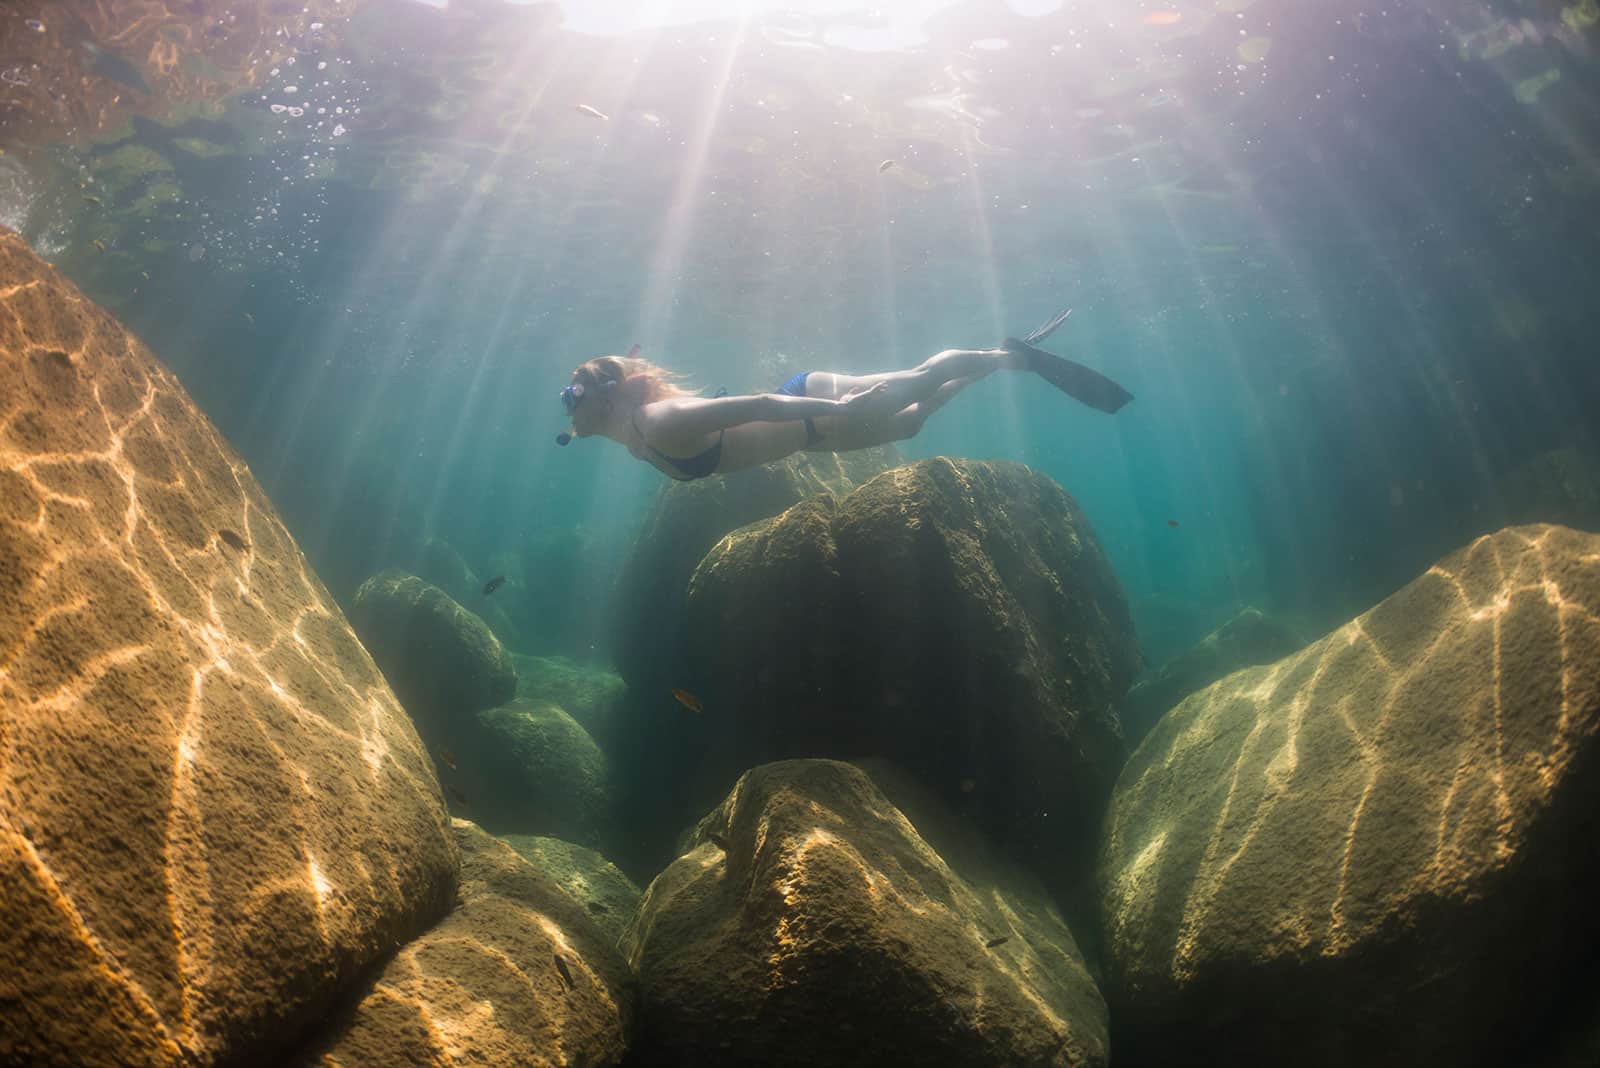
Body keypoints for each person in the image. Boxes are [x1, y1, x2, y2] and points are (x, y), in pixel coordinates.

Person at [555, 309, 1132, 481]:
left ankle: (1009, 358)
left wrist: (835, 407)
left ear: (604, 398)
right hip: (812, 434)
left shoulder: (658, 420)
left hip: (812, 403)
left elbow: (760, 405)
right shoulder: (635, 435)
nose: (567, 404)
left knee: (919, 379)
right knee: (910, 423)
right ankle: (1002, 360)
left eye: (572, 393)